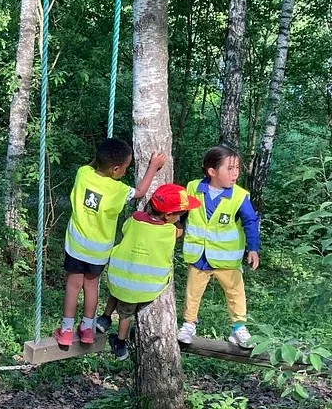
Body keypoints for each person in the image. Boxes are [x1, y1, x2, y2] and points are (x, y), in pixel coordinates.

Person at [53, 138, 166, 348]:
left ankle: (66, 330)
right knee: (91, 286)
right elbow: (140, 192)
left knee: (72, 285)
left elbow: (92, 165)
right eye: (125, 168)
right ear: (115, 169)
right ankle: (87, 328)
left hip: (76, 247)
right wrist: (153, 166)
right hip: (98, 252)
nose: (125, 171)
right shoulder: (119, 190)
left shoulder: (82, 173)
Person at [95, 184, 201, 360]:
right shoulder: (169, 230)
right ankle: (120, 344)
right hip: (143, 286)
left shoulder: (136, 218)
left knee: (116, 293)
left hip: (119, 275)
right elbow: (179, 230)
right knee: (125, 314)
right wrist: (181, 220)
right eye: (180, 213)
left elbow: (125, 228)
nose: (180, 217)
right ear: (168, 215)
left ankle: (104, 319)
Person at [176, 145, 260, 348]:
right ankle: (189, 324)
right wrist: (176, 225)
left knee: (235, 292)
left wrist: (253, 248)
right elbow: (182, 211)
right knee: (193, 292)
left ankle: (238, 328)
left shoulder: (239, 196)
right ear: (212, 171)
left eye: (237, 168)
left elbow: (250, 221)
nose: (235, 174)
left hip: (227, 259)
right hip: (199, 255)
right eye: (229, 169)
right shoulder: (194, 188)